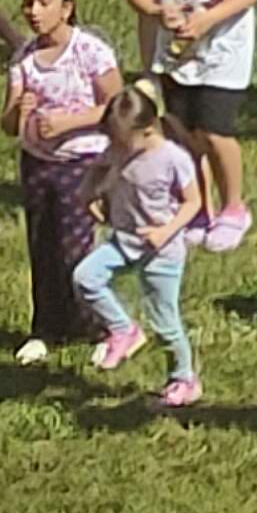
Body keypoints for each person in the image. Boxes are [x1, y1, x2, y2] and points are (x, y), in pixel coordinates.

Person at [125, 0, 257, 248]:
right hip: (175, 55)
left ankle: (234, 207)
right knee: (183, 134)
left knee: (215, 131)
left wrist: (208, 19)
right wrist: (157, 11)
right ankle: (198, 207)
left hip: (222, 52)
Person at [2, 0, 121, 366]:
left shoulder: (90, 52)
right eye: (28, 4)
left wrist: (70, 122)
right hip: (38, 163)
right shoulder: (24, 57)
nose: (34, 12)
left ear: (66, 8)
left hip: (82, 161)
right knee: (43, 246)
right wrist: (19, 111)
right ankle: (46, 327)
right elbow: (7, 123)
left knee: (76, 250)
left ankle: (102, 326)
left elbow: (118, 106)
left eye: (44, 2)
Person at [69, 79, 205, 407]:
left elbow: (193, 203)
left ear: (147, 131)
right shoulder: (118, 150)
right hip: (123, 241)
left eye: (121, 142)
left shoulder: (172, 158)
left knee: (165, 322)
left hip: (161, 251)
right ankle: (123, 330)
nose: (116, 148)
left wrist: (165, 231)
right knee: (85, 277)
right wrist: (87, 196)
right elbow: (97, 171)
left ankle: (184, 379)